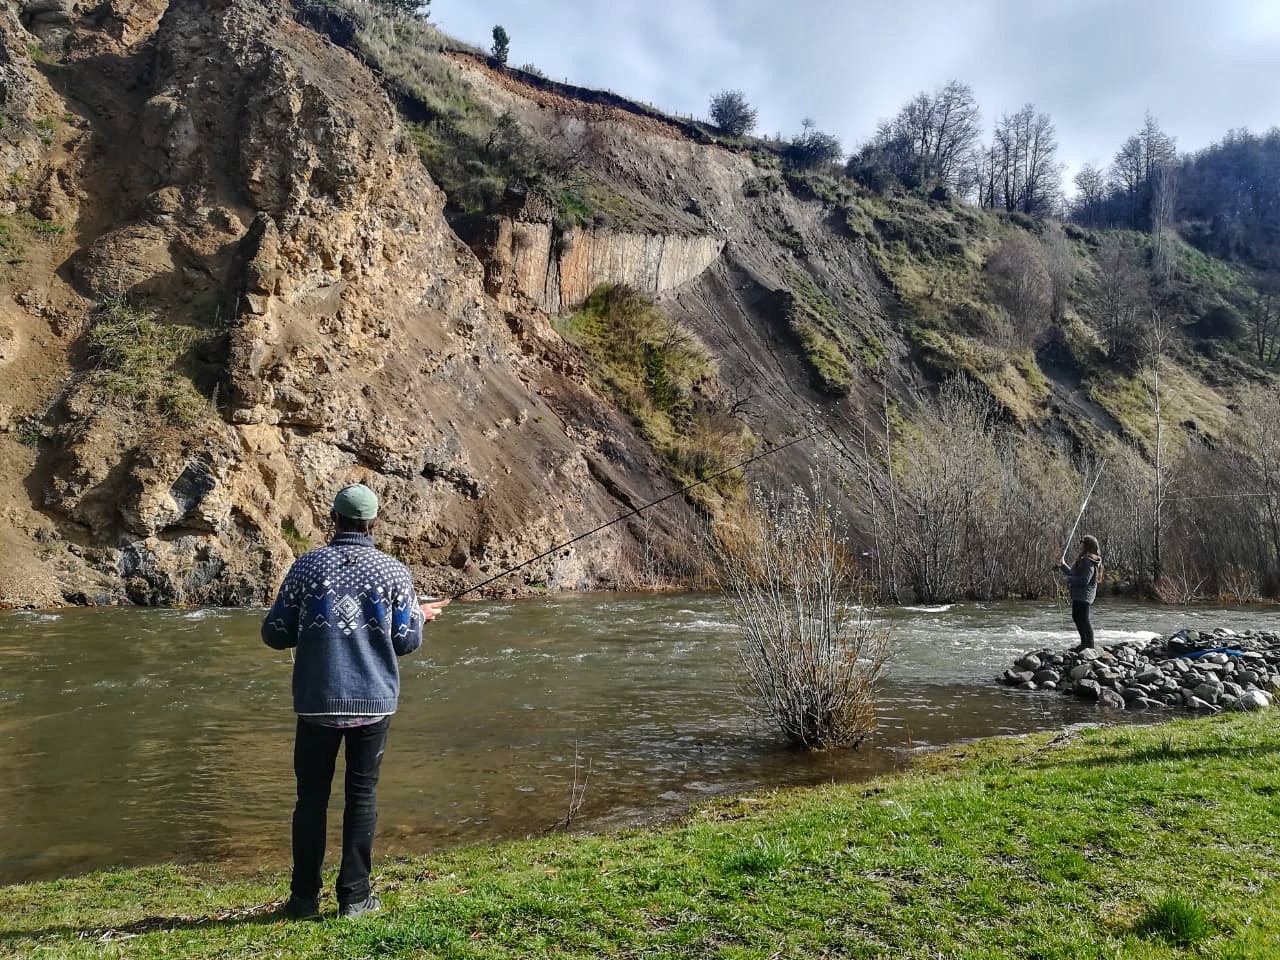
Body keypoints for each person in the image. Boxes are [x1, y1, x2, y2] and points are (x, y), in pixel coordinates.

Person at [262, 483, 448, 920]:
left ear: (334, 519)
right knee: (361, 797)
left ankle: (304, 899)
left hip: (316, 702)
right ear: (374, 523)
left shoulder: (306, 567)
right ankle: (356, 898)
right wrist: (418, 615)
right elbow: (405, 642)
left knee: (310, 799)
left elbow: (274, 634)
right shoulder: (394, 572)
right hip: (373, 702)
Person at [1059, 534, 1103, 652]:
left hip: (1084, 595)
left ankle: (1089, 644)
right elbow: (1074, 574)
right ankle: (1084, 642)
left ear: (1087, 545)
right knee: (1077, 617)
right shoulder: (1084, 559)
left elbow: (1085, 580)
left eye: (1082, 542)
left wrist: (1068, 580)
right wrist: (1062, 566)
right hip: (1079, 594)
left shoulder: (1088, 562)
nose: (1080, 544)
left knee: (1084, 619)